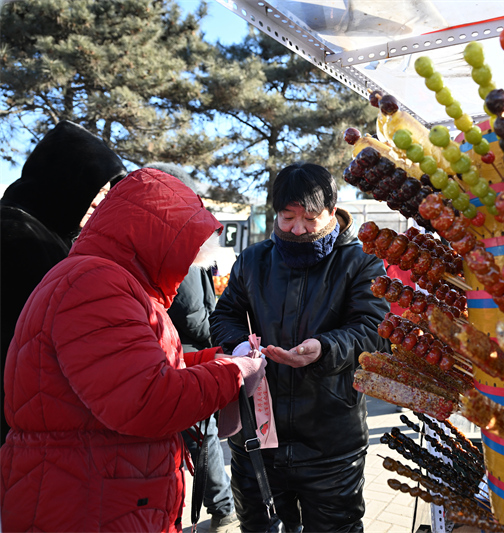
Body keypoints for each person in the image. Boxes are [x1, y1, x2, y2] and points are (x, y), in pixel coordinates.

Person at [0, 168, 267, 532]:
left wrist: (214, 359)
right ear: (157, 238)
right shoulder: (96, 284)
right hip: (87, 498)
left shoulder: (112, 280)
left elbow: (141, 368)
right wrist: (232, 374)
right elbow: (144, 399)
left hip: (98, 488)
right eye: (184, 248)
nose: (185, 263)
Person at [210, 162, 390, 532]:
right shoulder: (253, 260)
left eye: (309, 217)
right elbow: (224, 315)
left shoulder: (360, 262)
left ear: (332, 209)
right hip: (257, 441)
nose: (297, 228)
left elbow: (376, 331)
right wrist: (240, 347)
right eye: (287, 217)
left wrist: (324, 348)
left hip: (331, 445)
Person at [0, 120, 128, 445]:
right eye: (94, 189)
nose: (101, 202)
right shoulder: (17, 234)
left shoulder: (50, 233)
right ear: (65, 182)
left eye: (106, 193)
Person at [143, 162, 240, 533]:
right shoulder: (173, 251)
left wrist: (220, 351)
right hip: (184, 356)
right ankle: (222, 507)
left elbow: (196, 313)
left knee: (205, 438)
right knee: (204, 438)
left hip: (187, 355)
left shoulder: (183, 254)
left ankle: (223, 507)